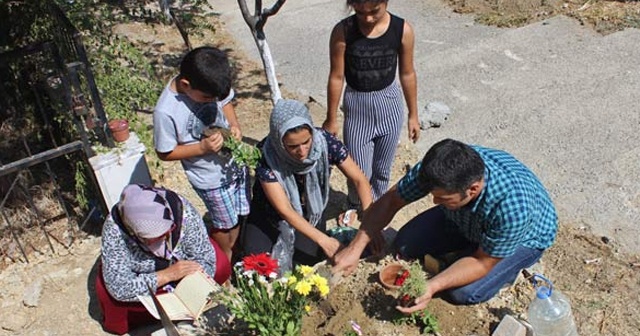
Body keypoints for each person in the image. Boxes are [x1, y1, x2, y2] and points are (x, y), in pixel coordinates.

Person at [333, 139, 558, 311]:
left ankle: (506, 268)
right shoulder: (441, 167)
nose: (434, 201)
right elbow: (392, 200)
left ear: (472, 189)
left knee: (462, 293)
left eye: (443, 199)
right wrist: (355, 248)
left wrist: (432, 286)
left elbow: (482, 262)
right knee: (404, 245)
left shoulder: (512, 208)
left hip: (526, 237)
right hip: (465, 219)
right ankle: (465, 247)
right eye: (434, 195)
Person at [242, 99, 373, 273]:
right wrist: (324, 240)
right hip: (270, 215)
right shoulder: (268, 156)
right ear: (279, 142)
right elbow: (285, 210)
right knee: (258, 265)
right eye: (293, 146)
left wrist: (371, 225)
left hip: (309, 212)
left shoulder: (325, 143)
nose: (302, 152)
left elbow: (359, 180)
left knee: (305, 267)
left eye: (306, 142)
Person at [153, 46, 249, 263]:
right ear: (186, 85)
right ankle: (224, 261)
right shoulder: (166, 111)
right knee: (226, 225)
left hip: (235, 166)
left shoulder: (210, 85)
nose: (212, 100)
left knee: (241, 213)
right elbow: (165, 152)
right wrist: (202, 149)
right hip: (210, 178)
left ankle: (238, 251)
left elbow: (225, 102)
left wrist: (233, 125)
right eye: (207, 98)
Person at [322, 0, 420, 213]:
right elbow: (337, 77)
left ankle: (376, 206)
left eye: (374, 11)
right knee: (357, 169)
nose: (367, 18)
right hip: (357, 107)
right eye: (359, 12)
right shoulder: (343, 31)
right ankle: (355, 204)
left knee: (382, 169)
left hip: (390, 104)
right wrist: (331, 118)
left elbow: (407, 73)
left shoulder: (402, 30)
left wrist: (413, 114)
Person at [96, 184, 231, 335]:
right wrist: (167, 275)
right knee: (109, 297)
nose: (164, 239)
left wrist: (191, 281)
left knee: (221, 265)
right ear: (134, 233)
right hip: (147, 277)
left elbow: (204, 256)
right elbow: (119, 286)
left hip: (183, 271)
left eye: (167, 233)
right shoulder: (114, 230)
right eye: (152, 239)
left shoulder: (182, 211)